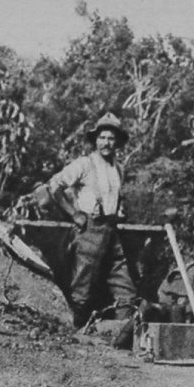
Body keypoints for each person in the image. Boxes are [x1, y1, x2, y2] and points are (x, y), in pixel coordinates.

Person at [47, 112, 138, 327]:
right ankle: (75, 334)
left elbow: (116, 197)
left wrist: (120, 211)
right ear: (95, 140)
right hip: (90, 229)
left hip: (112, 229)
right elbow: (54, 185)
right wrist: (73, 213)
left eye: (111, 138)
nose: (106, 143)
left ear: (117, 142)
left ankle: (122, 331)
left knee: (123, 282)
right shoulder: (84, 164)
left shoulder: (118, 168)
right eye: (102, 138)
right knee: (83, 284)